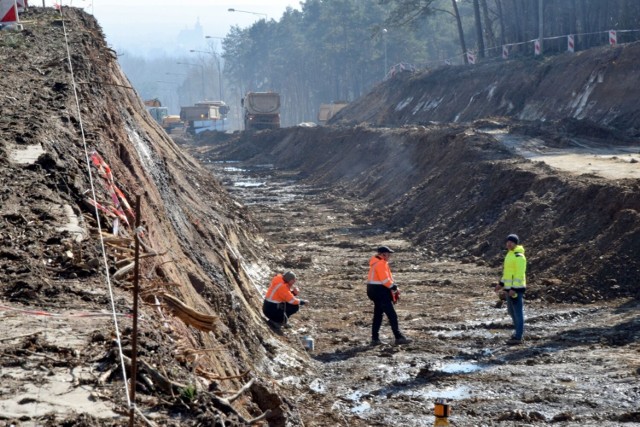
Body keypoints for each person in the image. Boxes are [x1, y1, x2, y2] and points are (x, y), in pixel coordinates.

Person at [366, 246, 411, 346]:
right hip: (380, 291)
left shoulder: (376, 263)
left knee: (378, 314)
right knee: (392, 315)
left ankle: (375, 339)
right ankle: (399, 337)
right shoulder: (381, 264)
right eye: (388, 254)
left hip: (373, 290)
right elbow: (385, 280)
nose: (389, 256)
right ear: (382, 254)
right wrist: (394, 287)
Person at [494, 234, 527, 345]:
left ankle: (518, 336)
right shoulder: (509, 255)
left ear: (516, 243)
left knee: (517, 312)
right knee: (511, 311)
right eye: (508, 241)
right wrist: (501, 284)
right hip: (509, 289)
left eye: (511, 242)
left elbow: (519, 274)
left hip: (516, 289)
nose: (509, 243)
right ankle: (517, 333)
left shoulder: (519, 256)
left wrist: (514, 288)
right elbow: (508, 273)